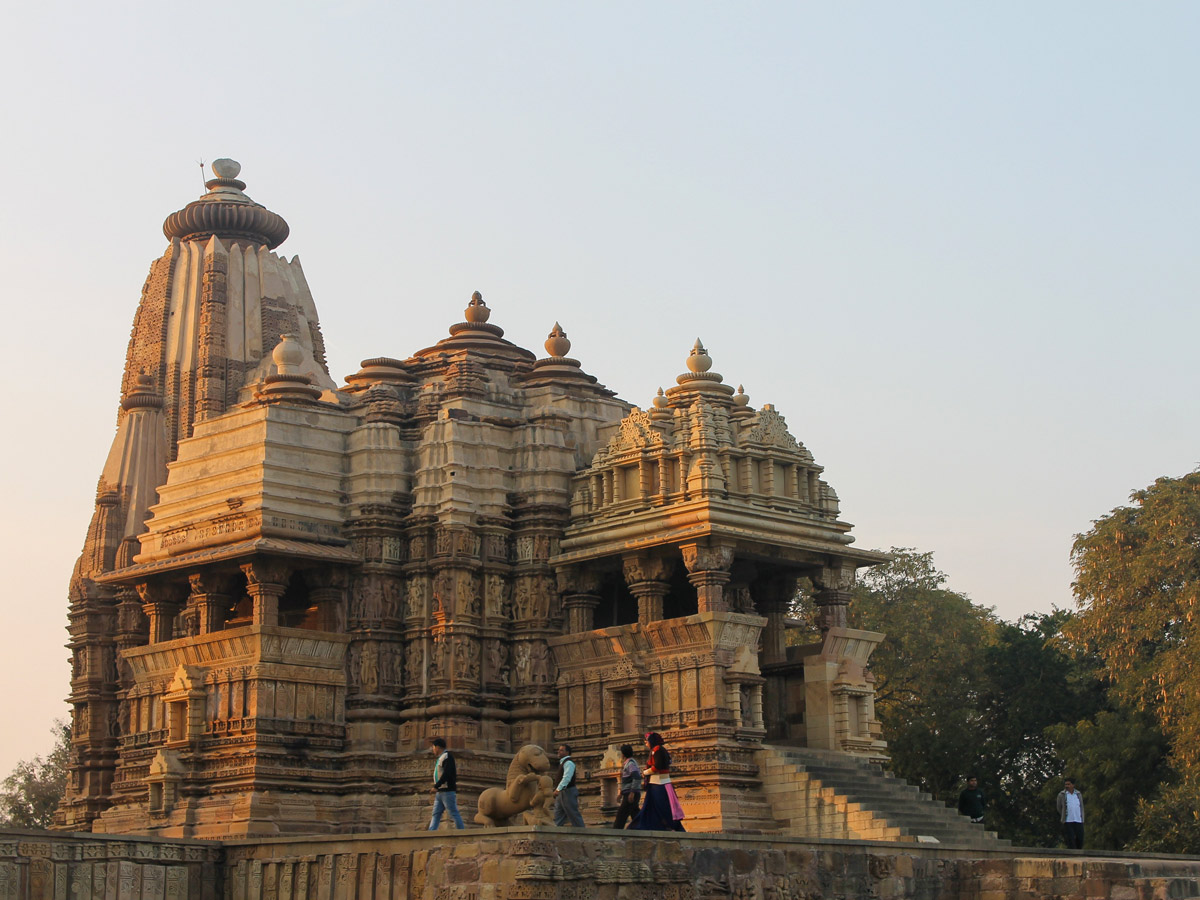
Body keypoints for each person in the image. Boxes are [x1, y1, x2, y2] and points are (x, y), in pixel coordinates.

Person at [631, 732, 685, 831]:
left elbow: (658, 766)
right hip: (657, 784)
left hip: (660, 785)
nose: (646, 743)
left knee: (662, 807)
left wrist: (646, 772)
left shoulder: (658, 750)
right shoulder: (658, 750)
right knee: (651, 807)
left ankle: (669, 825)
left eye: (647, 741)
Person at [427, 737, 465, 830]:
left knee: (453, 812)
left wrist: (437, 786)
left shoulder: (447, 756)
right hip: (440, 791)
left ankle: (461, 832)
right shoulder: (442, 758)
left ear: (437, 747)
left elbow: (447, 774)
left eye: (433, 747)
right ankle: (431, 832)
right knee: (436, 813)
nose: (433, 750)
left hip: (447, 791)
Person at [553, 743, 586, 827]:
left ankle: (582, 831)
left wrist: (558, 789)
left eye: (561, 750)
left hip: (567, 791)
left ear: (567, 752)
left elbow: (567, 778)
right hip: (562, 792)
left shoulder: (568, 763)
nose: (559, 752)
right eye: (559, 750)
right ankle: (555, 832)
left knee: (572, 813)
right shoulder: (563, 763)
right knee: (558, 814)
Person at [612, 744, 641, 829]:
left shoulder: (630, 764)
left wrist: (632, 792)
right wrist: (621, 793)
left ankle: (616, 832)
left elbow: (636, 777)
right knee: (635, 814)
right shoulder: (629, 763)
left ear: (623, 754)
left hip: (630, 793)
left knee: (622, 814)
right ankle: (642, 829)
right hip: (629, 792)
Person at [1056, 777, 1085, 849]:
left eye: (1068, 784)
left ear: (1073, 785)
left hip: (1078, 819)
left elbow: (1081, 806)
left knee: (1080, 837)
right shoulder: (1062, 794)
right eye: (1066, 784)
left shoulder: (1078, 794)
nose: (1067, 786)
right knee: (1070, 838)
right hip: (1068, 820)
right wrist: (1063, 815)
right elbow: (1059, 807)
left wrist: (1082, 817)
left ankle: (1079, 852)